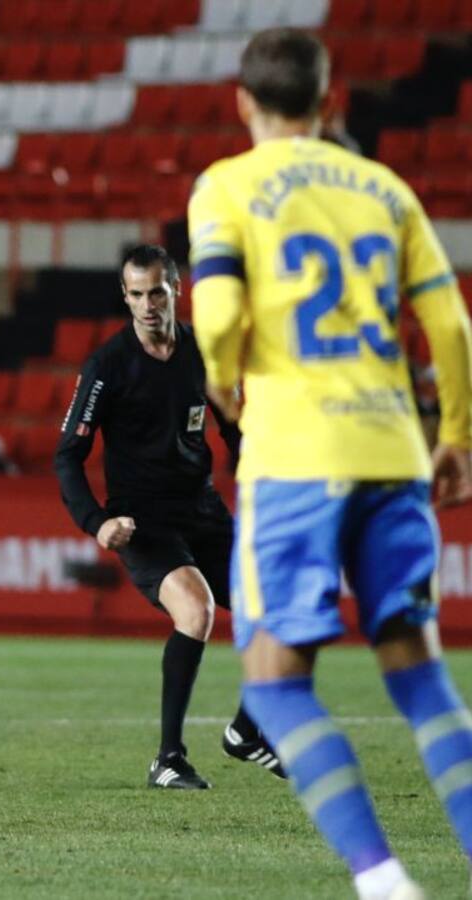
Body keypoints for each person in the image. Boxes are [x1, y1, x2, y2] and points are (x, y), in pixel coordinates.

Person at [190, 29, 472, 899]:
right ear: (328, 101)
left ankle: (384, 881)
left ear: (243, 101)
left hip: (294, 457)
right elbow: (454, 327)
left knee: (275, 687)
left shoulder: (228, 186)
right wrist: (457, 432)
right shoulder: (386, 190)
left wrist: (226, 383)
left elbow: (220, 311)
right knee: (421, 676)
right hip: (390, 450)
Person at [54, 243, 282, 790]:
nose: (148, 304)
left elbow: (233, 430)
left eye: (157, 291)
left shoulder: (203, 354)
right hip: (142, 521)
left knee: (276, 606)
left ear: (176, 289)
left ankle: (247, 733)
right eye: (136, 294)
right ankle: (168, 758)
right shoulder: (107, 367)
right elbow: (67, 456)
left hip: (201, 509)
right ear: (126, 297)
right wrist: (97, 522)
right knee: (196, 608)